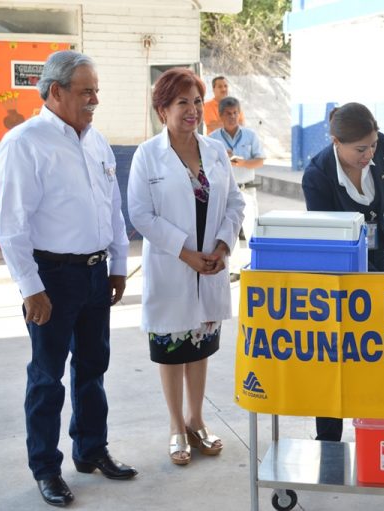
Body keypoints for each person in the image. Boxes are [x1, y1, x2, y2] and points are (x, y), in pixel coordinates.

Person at [0, 50, 136, 508]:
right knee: (47, 377)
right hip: (51, 277)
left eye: (97, 90)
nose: (95, 99)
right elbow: (10, 224)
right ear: (55, 92)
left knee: (92, 369)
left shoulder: (96, 140)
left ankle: (92, 450)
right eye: (86, 91)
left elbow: (111, 209)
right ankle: (46, 469)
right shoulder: (25, 143)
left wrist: (116, 265)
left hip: (95, 275)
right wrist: (31, 287)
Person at [127, 68, 245, 466]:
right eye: (183, 103)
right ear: (163, 110)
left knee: (200, 348)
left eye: (197, 102)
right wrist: (186, 253)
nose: (193, 110)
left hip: (210, 265)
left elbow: (235, 203)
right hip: (173, 267)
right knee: (171, 349)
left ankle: (196, 419)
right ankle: (176, 425)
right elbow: (141, 215)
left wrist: (223, 245)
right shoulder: (147, 155)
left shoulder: (214, 151)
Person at [302, 102, 384, 442]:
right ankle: (328, 440)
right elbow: (328, 236)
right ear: (335, 141)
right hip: (337, 275)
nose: (369, 153)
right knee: (335, 355)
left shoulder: (380, 150)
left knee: (375, 349)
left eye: (372, 144)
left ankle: (377, 429)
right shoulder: (317, 176)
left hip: (376, 260)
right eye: (359, 149)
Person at [209, 96, 265, 276]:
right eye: (228, 114)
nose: (232, 117)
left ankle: (254, 267)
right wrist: (223, 157)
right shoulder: (212, 139)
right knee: (227, 231)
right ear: (221, 116)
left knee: (251, 229)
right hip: (223, 193)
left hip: (247, 189)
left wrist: (243, 163)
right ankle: (232, 270)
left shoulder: (250, 135)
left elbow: (259, 161)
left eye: (235, 113)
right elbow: (206, 166)